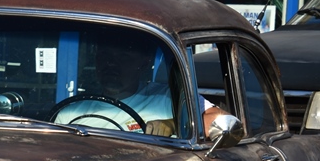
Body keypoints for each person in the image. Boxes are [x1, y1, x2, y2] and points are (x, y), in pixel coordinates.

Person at [53, 36, 220, 137]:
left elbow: (219, 120)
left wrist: (174, 124)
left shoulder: (167, 98)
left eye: (123, 57)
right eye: (105, 55)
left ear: (144, 64)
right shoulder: (70, 113)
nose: (111, 63)